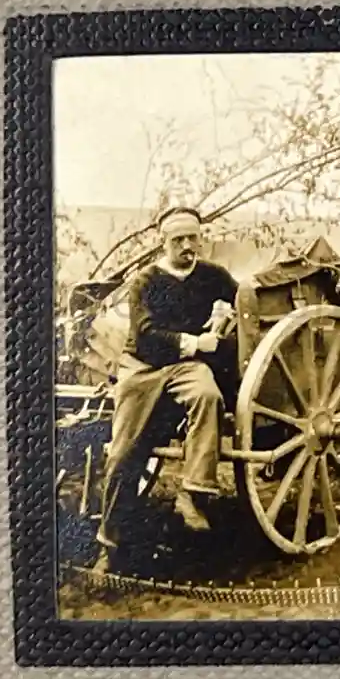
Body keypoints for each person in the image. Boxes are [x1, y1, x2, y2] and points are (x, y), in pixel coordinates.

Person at [93, 206, 239, 571]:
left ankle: (192, 493)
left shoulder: (214, 276)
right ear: (163, 242)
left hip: (188, 368)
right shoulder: (146, 281)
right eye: (179, 240)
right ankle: (110, 543)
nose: (188, 246)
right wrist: (196, 342)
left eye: (193, 237)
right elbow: (145, 337)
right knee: (124, 450)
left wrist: (227, 314)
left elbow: (243, 300)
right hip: (143, 367)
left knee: (207, 395)